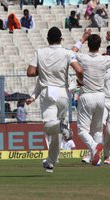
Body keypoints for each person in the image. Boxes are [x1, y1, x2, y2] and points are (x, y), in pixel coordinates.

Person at [25, 27, 84, 173]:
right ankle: (50, 162)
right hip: (63, 94)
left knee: (49, 127)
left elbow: (30, 72)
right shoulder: (67, 52)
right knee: (56, 130)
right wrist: (81, 81)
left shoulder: (40, 52)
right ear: (61, 39)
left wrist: (44, 70)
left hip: (48, 92)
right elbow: (79, 71)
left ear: (47, 39)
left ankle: (62, 128)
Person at [72, 30, 110, 166]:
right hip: (101, 97)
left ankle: (93, 147)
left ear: (88, 45)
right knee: (96, 130)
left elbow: (70, 54)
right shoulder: (105, 59)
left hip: (86, 96)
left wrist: (82, 38)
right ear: (100, 45)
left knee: (82, 130)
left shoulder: (83, 57)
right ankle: (97, 159)